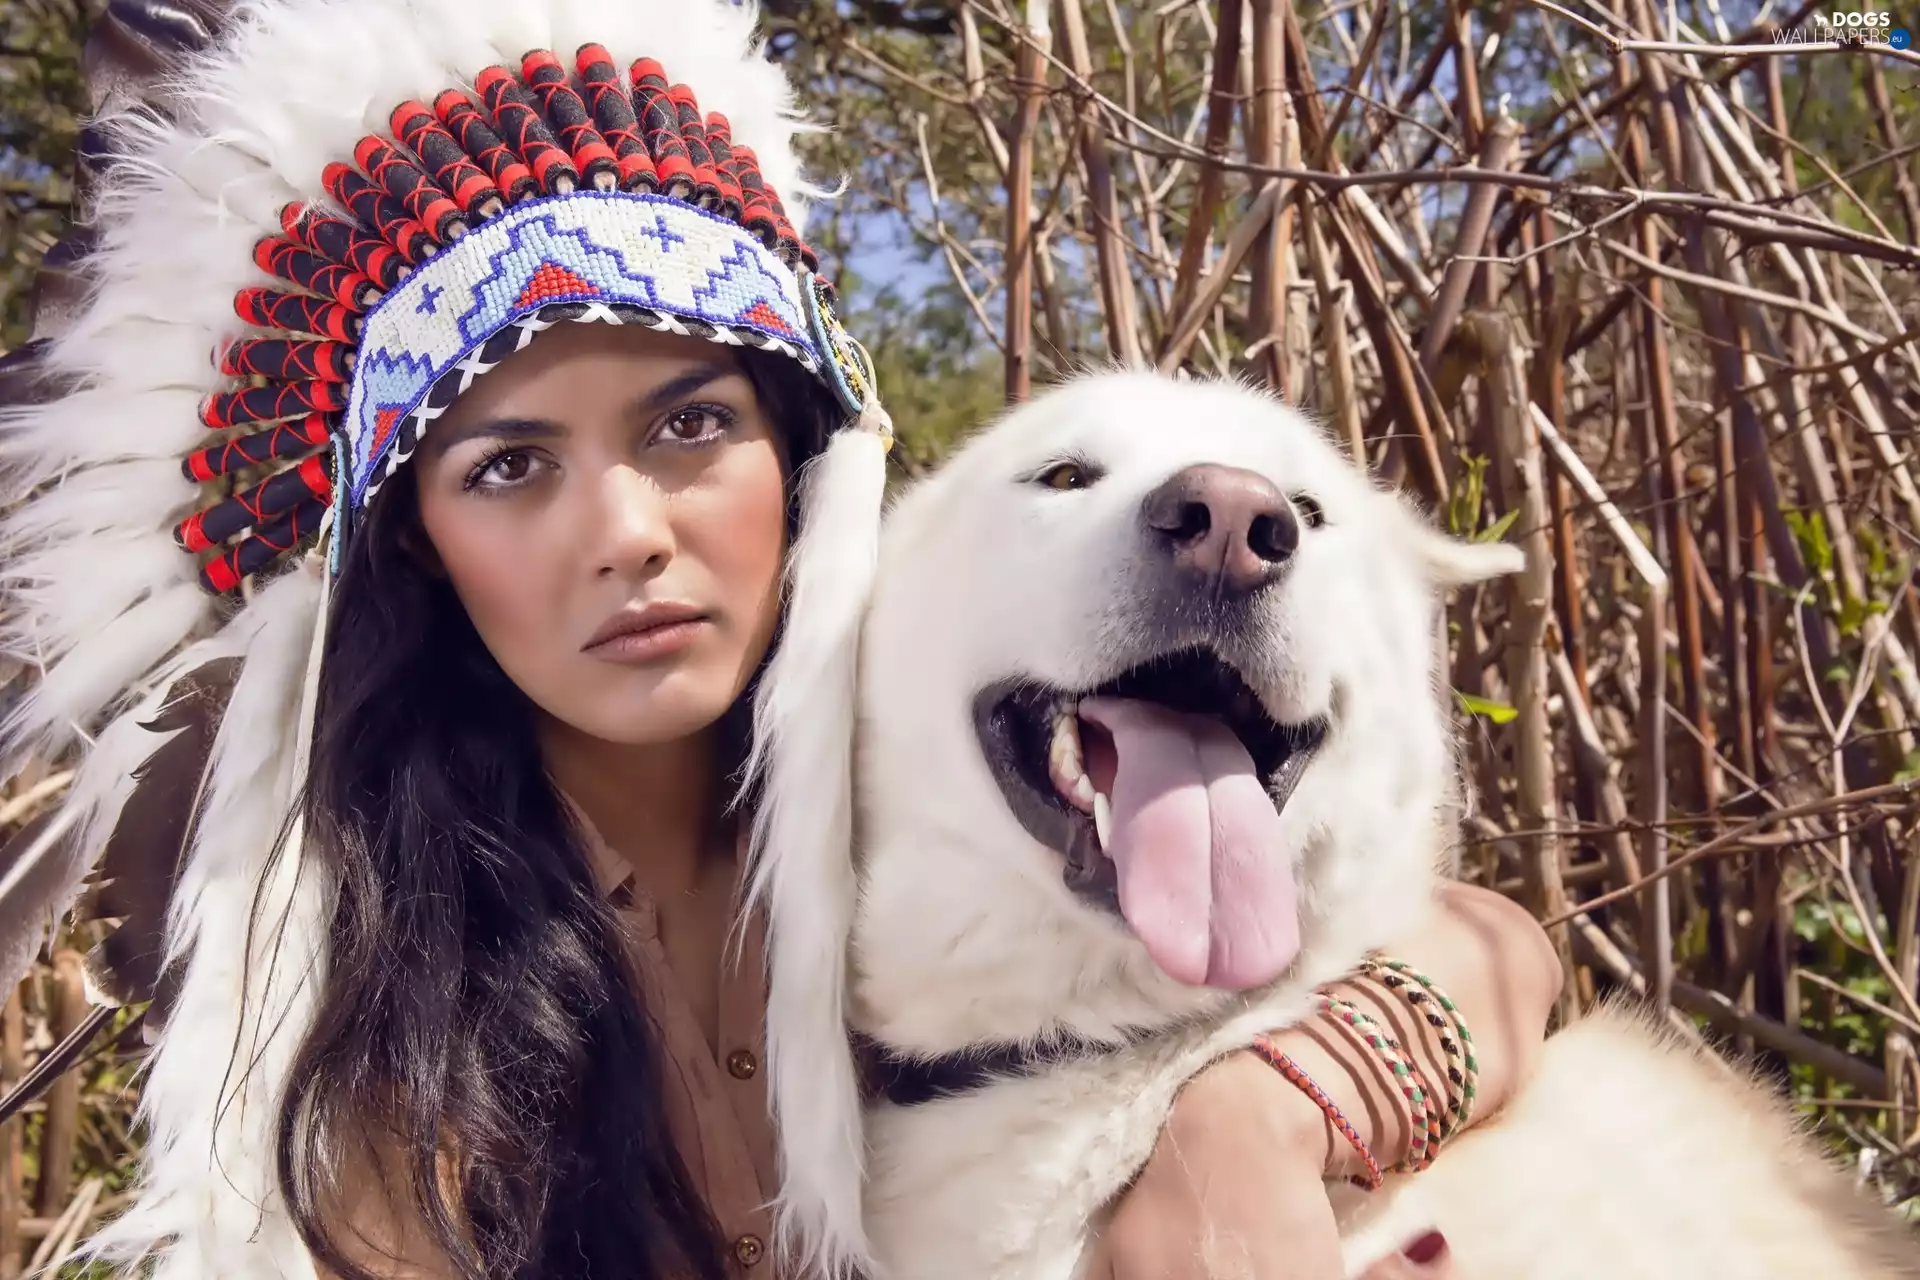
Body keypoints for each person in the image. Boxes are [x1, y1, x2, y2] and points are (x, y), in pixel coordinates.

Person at [0, 0, 1560, 1276]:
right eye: (511, 467)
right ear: (423, 542)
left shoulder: (919, 746)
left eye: (689, 425)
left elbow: (1488, 944)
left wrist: (1257, 1125)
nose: (625, 531)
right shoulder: (389, 995)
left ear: (798, 454)